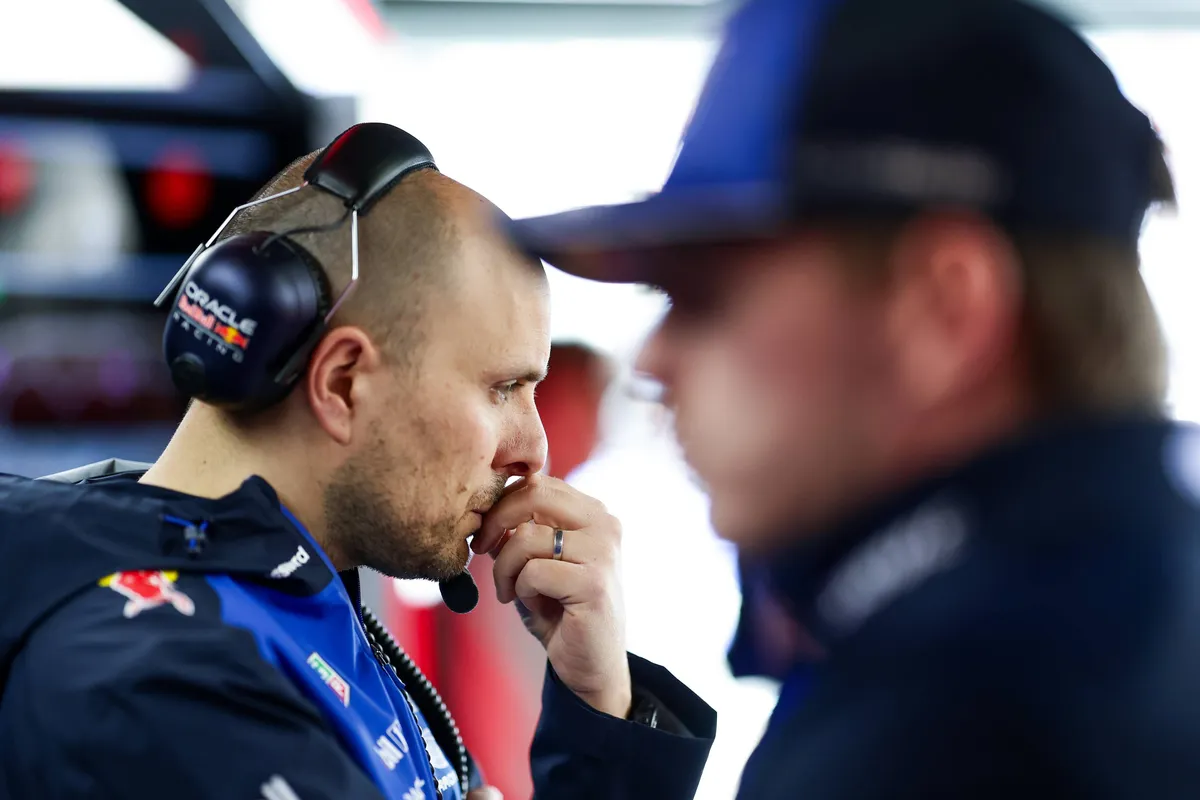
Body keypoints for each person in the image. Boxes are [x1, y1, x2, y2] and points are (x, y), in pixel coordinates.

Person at [505, 0, 1200, 796]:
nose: (653, 361)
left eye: (703, 295)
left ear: (945, 310)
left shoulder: (950, 725)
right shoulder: (1109, 619)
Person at [0, 124, 716, 799]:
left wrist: (601, 707)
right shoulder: (164, 688)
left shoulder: (280, 592)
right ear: (342, 383)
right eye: (504, 388)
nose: (534, 453)